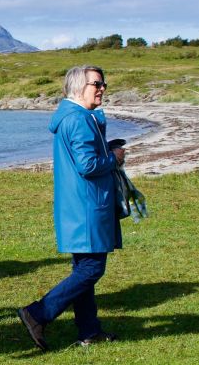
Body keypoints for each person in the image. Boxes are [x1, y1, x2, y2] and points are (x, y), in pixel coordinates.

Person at [17, 66, 122, 350]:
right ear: (78, 88)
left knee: (83, 269)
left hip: (80, 204)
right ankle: (38, 313)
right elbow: (87, 165)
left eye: (103, 83)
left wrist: (105, 148)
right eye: (96, 84)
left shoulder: (79, 117)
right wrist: (113, 158)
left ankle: (89, 330)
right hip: (86, 206)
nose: (102, 88)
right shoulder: (77, 119)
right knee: (91, 269)